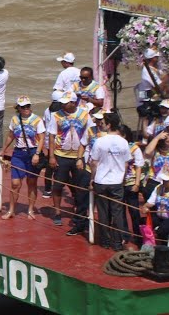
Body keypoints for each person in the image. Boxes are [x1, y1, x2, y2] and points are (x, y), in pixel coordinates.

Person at [48, 91, 91, 234]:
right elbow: (52, 136)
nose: (62, 104)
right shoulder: (56, 116)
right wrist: (51, 157)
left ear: (73, 102)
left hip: (79, 156)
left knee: (80, 187)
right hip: (61, 155)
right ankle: (57, 212)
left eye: (66, 102)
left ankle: (80, 214)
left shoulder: (85, 115)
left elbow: (90, 133)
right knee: (58, 185)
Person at [88, 112, 131, 250]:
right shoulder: (123, 142)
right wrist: (122, 179)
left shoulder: (100, 141)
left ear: (109, 125)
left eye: (103, 122)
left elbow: (94, 162)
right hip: (117, 181)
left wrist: (92, 179)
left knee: (103, 212)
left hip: (101, 180)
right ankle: (117, 243)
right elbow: (125, 164)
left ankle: (105, 241)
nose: (101, 124)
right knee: (117, 212)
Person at [0, 96, 44, 219]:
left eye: (28, 106)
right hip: (18, 153)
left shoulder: (37, 120)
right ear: (18, 108)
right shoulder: (14, 120)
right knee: (15, 183)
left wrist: (37, 154)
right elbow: (11, 136)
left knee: (31, 182)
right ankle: (11, 210)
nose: (26, 109)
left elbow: (41, 139)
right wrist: (3, 150)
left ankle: (30, 210)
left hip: (32, 152)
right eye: (23, 107)